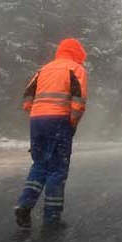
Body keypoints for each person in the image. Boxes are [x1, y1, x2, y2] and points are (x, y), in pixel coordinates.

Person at [14, 38, 88, 229]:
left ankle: (24, 205)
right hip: (59, 121)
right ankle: (52, 218)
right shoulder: (76, 69)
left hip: (37, 121)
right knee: (57, 168)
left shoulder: (44, 69)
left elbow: (27, 99)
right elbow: (78, 100)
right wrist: (72, 122)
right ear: (77, 53)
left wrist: (37, 114)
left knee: (40, 164)